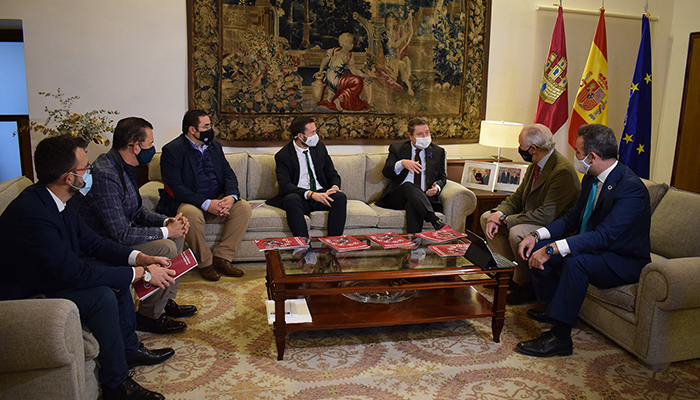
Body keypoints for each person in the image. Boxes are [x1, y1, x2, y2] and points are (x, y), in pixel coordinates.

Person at [0, 135, 175, 400]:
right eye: (86, 168)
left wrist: (140, 258)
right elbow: (76, 274)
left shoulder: (57, 199)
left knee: (114, 272)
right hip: (27, 293)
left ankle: (128, 349)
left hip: (52, 274)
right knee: (101, 296)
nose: (90, 172)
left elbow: (93, 242)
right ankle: (116, 386)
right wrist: (143, 274)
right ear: (69, 178)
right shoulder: (32, 214)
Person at [516, 124, 651, 358]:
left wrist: (554, 248)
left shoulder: (631, 189)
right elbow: (572, 218)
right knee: (535, 248)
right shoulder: (591, 178)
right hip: (594, 248)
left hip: (621, 259)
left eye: (578, 152)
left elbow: (604, 236)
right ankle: (554, 308)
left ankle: (560, 338)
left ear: (592, 157)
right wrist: (537, 235)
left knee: (575, 262)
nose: (575, 157)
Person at [74, 117, 197, 334]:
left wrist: (167, 222)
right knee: (166, 247)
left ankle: (164, 301)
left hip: (118, 236)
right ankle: (148, 316)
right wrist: (166, 232)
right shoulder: (105, 174)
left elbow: (137, 211)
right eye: (150, 144)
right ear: (136, 146)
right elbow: (120, 233)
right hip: (104, 245)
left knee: (176, 235)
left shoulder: (125, 167)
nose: (153, 149)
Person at [480, 124, 580, 305]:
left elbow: (547, 215)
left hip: (554, 225)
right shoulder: (536, 165)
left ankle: (525, 284)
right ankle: (508, 273)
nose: (519, 149)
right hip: (532, 217)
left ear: (533, 148)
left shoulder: (561, 171)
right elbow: (517, 197)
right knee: (486, 217)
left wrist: (504, 219)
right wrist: (498, 213)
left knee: (516, 232)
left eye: (521, 145)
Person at [157, 110, 252, 281]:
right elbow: (175, 186)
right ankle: (205, 263)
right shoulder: (172, 150)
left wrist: (230, 197)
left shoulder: (215, 146)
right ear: (192, 130)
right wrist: (206, 203)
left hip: (217, 198)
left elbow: (228, 175)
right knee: (190, 215)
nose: (210, 130)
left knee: (243, 207)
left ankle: (222, 258)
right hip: (189, 202)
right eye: (206, 126)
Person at [267, 116, 347, 237]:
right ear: (300, 136)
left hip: (322, 194)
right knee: (291, 199)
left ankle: (334, 242)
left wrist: (334, 187)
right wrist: (311, 194)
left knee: (340, 197)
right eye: (312, 132)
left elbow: (332, 173)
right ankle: (303, 244)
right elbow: (285, 186)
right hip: (300, 196)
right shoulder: (283, 156)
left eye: (315, 131)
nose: (316, 135)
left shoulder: (319, 147)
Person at [376, 117, 447, 233]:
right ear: (410, 136)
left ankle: (414, 243)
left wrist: (437, 188)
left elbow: (442, 178)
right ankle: (433, 219)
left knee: (413, 203)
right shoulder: (397, 149)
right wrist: (402, 163)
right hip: (398, 197)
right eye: (420, 134)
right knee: (408, 186)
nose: (425, 136)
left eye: (427, 132)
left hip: (424, 197)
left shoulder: (438, 152)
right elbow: (386, 172)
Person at [315, 32, 370, 111]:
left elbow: (353, 70)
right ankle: (340, 99)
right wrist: (320, 71)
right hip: (332, 75)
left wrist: (364, 75)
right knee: (356, 81)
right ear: (344, 43)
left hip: (340, 76)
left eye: (352, 43)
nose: (352, 45)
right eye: (350, 43)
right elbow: (325, 60)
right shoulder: (333, 51)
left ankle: (339, 99)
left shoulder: (350, 55)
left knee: (358, 80)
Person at [375, 11, 415, 95]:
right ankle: (409, 88)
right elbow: (393, 45)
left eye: (390, 21)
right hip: (388, 60)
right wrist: (403, 38)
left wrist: (407, 33)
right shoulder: (384, 35)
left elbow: (402, 44)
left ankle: (406, 80)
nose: (388, 23)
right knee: (400, 64)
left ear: (394, 22)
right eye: (387, 21)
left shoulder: (396, 33)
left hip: (396, 57)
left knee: (407, 60)